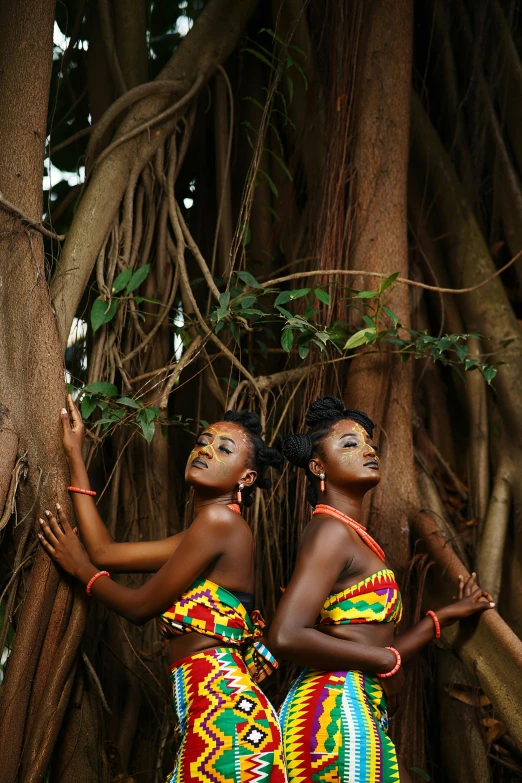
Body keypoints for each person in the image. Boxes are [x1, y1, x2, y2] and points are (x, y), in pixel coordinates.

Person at [39, 395, 287, 783]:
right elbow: (105, 552)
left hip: (229, 720)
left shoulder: (219, 522)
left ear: (247, 478)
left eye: (224, 448)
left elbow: (139, 607)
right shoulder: (203, 533)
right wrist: (75, 456)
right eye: (203, 441)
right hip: (209, 714)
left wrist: (80, 569)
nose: (205, 449)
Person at [268, 395, 495, 783]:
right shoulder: (330, 532)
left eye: (369, 443)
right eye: (350, 444)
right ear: (318, 466)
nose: (369, 449)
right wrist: (383, 663)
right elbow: (284, 635)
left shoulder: (348, 536)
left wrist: (441, 618)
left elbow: (373, 650)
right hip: (332, 717)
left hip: (354, 708)